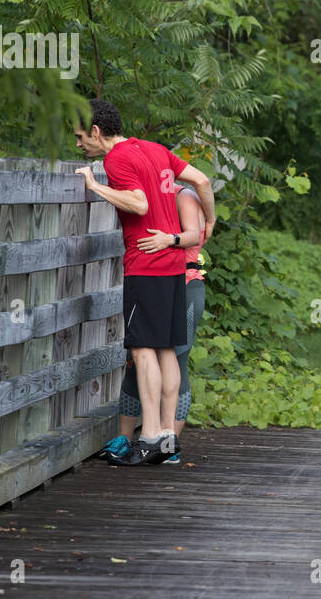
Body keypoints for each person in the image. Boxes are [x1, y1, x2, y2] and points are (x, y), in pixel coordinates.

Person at [73, 99, 215, 466]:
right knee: (166, 349)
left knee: (141, 350)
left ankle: (149, 435)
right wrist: (208, 222)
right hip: (173, 265)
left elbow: (136, 204)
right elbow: (201, 180)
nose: (78, 145)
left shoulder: (115, 159)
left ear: (96, 131)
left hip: (146, 263)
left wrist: (95, 186)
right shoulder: (155, 150)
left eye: (79, 137)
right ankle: (167, 437)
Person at [101, 172, 207, 465]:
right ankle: (125, 438)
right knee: (137, 360)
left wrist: (169, 239)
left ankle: (169, 442)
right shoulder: (147, 197)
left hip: (183, 283)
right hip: (153, 283)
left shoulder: (184, 196)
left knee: (176, 358)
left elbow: (194, 236)